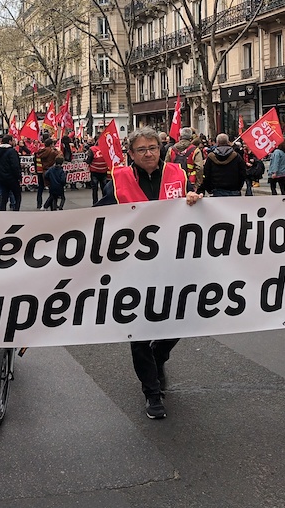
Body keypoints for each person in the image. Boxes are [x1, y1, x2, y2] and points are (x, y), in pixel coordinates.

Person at [96, 126, 202, 419]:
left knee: (180, 320)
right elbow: (98, 217)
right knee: (140, 331)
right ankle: (152, 392)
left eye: (153, 147)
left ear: (161, 148)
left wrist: (194, 200)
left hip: (172, 264)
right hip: (134, 267)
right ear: (131, 154)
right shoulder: (119, 180)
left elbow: (191, 207)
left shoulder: (178, 175)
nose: (148, 154)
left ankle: (160, 356)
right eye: (141, 149)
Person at [0, 135, 22, 211]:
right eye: (12, 140)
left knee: (4, 196)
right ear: (9, 141)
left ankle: (3, 210)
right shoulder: (12, 151)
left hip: (2, 177)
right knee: (17, 195)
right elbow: (15, 165)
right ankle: (16, 210)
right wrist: (18, 176)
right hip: (12, 178)